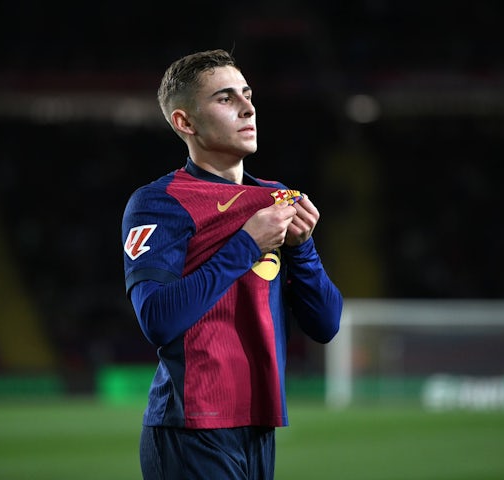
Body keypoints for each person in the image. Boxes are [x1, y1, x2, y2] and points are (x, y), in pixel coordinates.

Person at [121, 48, 343, 480]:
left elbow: (326, 325)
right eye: (225, 99)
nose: (247, 107)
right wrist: (245, 244)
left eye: (247, 94)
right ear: (184, 122)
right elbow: (157, 319)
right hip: (192, 427)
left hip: (260, 425)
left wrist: (303, 248)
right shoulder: (159, 203)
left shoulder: (276, 199)